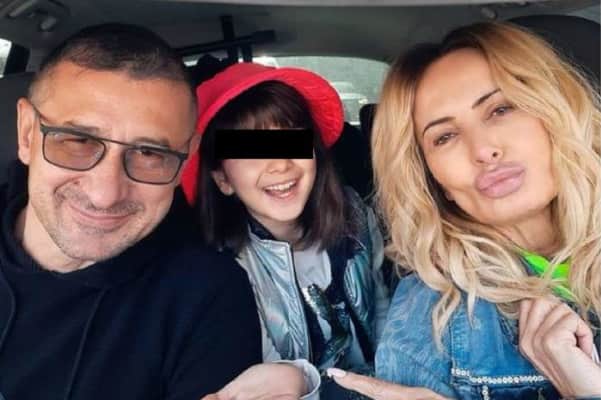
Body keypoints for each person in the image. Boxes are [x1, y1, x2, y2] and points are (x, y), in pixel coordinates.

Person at [331, 21, 601, 399]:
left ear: (556, 114)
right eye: (445, 137)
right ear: (434, 179)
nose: (483, 150)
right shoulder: (432, 320)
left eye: (501, 109)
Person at [0, 24, 262, 400]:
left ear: (186, 158)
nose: (105, 195)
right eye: (78, 140)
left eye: (149, 154)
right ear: (27, 133)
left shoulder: (207, 296)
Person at [180, 62, 413, 400]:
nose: (280, 164)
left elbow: (382, 311)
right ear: (223, 179)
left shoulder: (355, 215)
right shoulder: (222, 272)